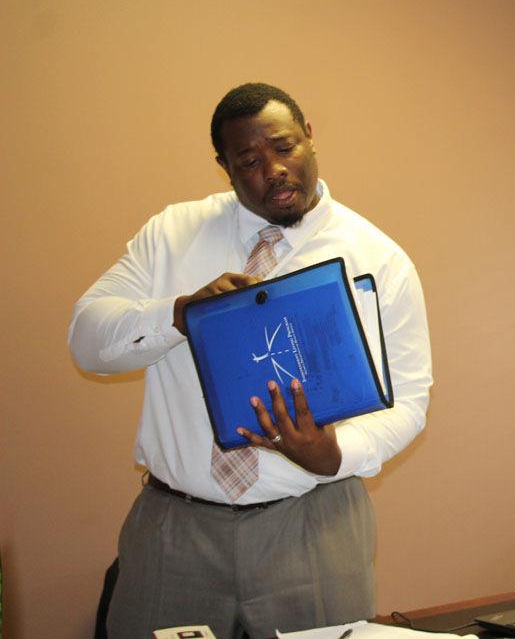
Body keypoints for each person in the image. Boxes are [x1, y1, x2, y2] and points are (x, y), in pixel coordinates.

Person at [69, 83, 432, 638]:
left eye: (285, 147)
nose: (275, 169)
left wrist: (333, 453)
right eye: (250, 161)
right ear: (224, 166)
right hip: (175, 529)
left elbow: (409, 403)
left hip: (314, 526)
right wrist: (178, 313)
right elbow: (87, 342)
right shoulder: (172, 233)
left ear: (309, 136)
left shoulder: (378, 258)